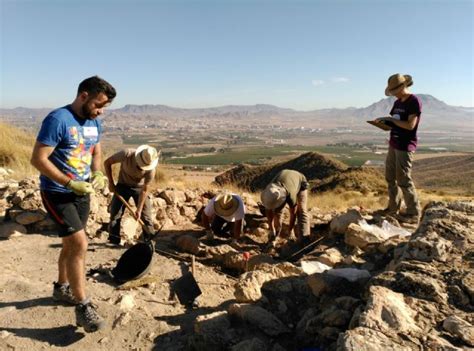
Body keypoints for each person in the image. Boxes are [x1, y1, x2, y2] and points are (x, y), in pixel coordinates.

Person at [30, 76, 116, 333]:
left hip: (82, 193)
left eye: (105, 107)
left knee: (70, 242)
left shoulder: (94, 122)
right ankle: (83, 306)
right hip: (57, 192)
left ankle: (61, 288)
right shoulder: (58, 120)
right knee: (80, 243)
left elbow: (96, 152)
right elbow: (38, 159)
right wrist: (69, 183)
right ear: (83, 96)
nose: (101, 110)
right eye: (99, 104)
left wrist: (98, 173)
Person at [375, 73, 421, 223]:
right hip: (393, 143)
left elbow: (410, 125)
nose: (393, 94)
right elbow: (394, 123)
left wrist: (391, 120)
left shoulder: (413, 101)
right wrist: (384, 123)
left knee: (403, 179)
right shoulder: (398, 102)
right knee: (390, 178)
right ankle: (393, 208)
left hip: (405, 145)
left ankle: (413, 212)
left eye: (395, 90)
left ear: (402, 87)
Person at [104, 145, 159, 244]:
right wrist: (111, 183)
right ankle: (114, 241)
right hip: (122, 185)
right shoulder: (127, 154)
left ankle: (150, 243)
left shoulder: (151, 169)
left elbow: (145, 189)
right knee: (115, 215)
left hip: (140, 188)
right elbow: (107, 162)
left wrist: (139, 208)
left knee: (146, 217)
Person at [260, 169, 310, 243]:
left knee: (301, 210)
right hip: (283, 184)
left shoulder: (290, 194)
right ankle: (276, 234)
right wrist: (271, 229)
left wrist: (290, 231)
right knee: (277, 212)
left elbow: (293, 213)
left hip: (300, 181)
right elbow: (269, 210)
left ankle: (304, 240)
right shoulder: (270, 191)